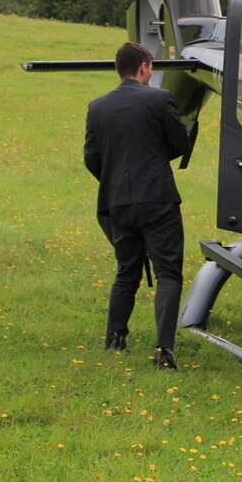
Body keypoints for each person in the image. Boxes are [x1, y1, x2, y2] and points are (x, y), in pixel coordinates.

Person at [84, 41, 191, 369]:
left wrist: (115, 178)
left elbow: (91, 158)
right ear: (145, 67)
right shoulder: (159, 99)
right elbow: (179, 143)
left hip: (117, 201)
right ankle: (164, 350)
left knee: (126, 271)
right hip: (157, 197)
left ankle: (115, 339)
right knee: (168, 274)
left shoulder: (97, 106)